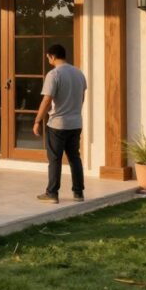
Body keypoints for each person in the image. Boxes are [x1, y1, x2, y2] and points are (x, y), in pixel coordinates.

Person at [32, 44, 86, 204]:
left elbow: (47, 99)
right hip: (75, 123)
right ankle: (78, 193)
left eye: (48, 57)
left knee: (55, 159)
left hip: (57, 124)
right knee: (75, 158)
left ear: (52, 57)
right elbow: (81, 97)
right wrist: (74, 112)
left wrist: (37, 120)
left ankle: (52, 193)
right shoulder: (79, 73)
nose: (48, 60)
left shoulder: (54, 74)